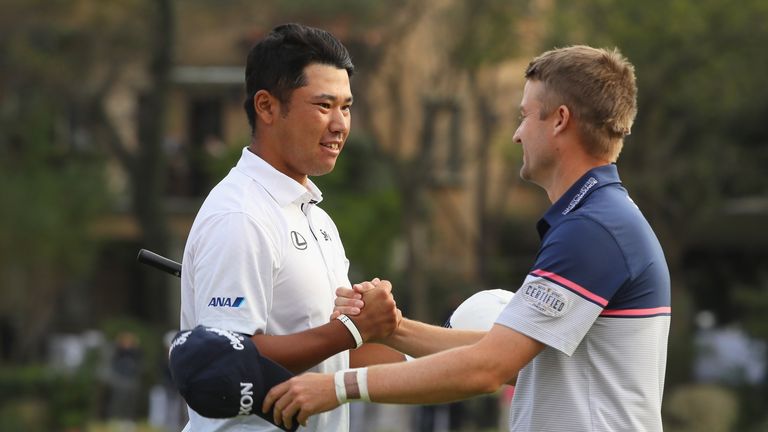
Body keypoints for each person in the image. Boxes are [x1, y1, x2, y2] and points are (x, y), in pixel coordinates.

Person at [263, 45, 672, 432]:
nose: (517, 134)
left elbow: (487, 368)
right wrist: (391, 328)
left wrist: (339, 387)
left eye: (526, 116)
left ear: (560, 120)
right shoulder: (599, 219)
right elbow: (507, 356)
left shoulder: (593, 230)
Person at [179, 23, 402, 432]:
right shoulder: (240, 216)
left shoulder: (316, 218)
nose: (340, 125)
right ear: (266, 107)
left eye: (347, 107)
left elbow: (334, 355)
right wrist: (352, 329)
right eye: (323, 105)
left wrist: (462, 357)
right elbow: (227, 361)